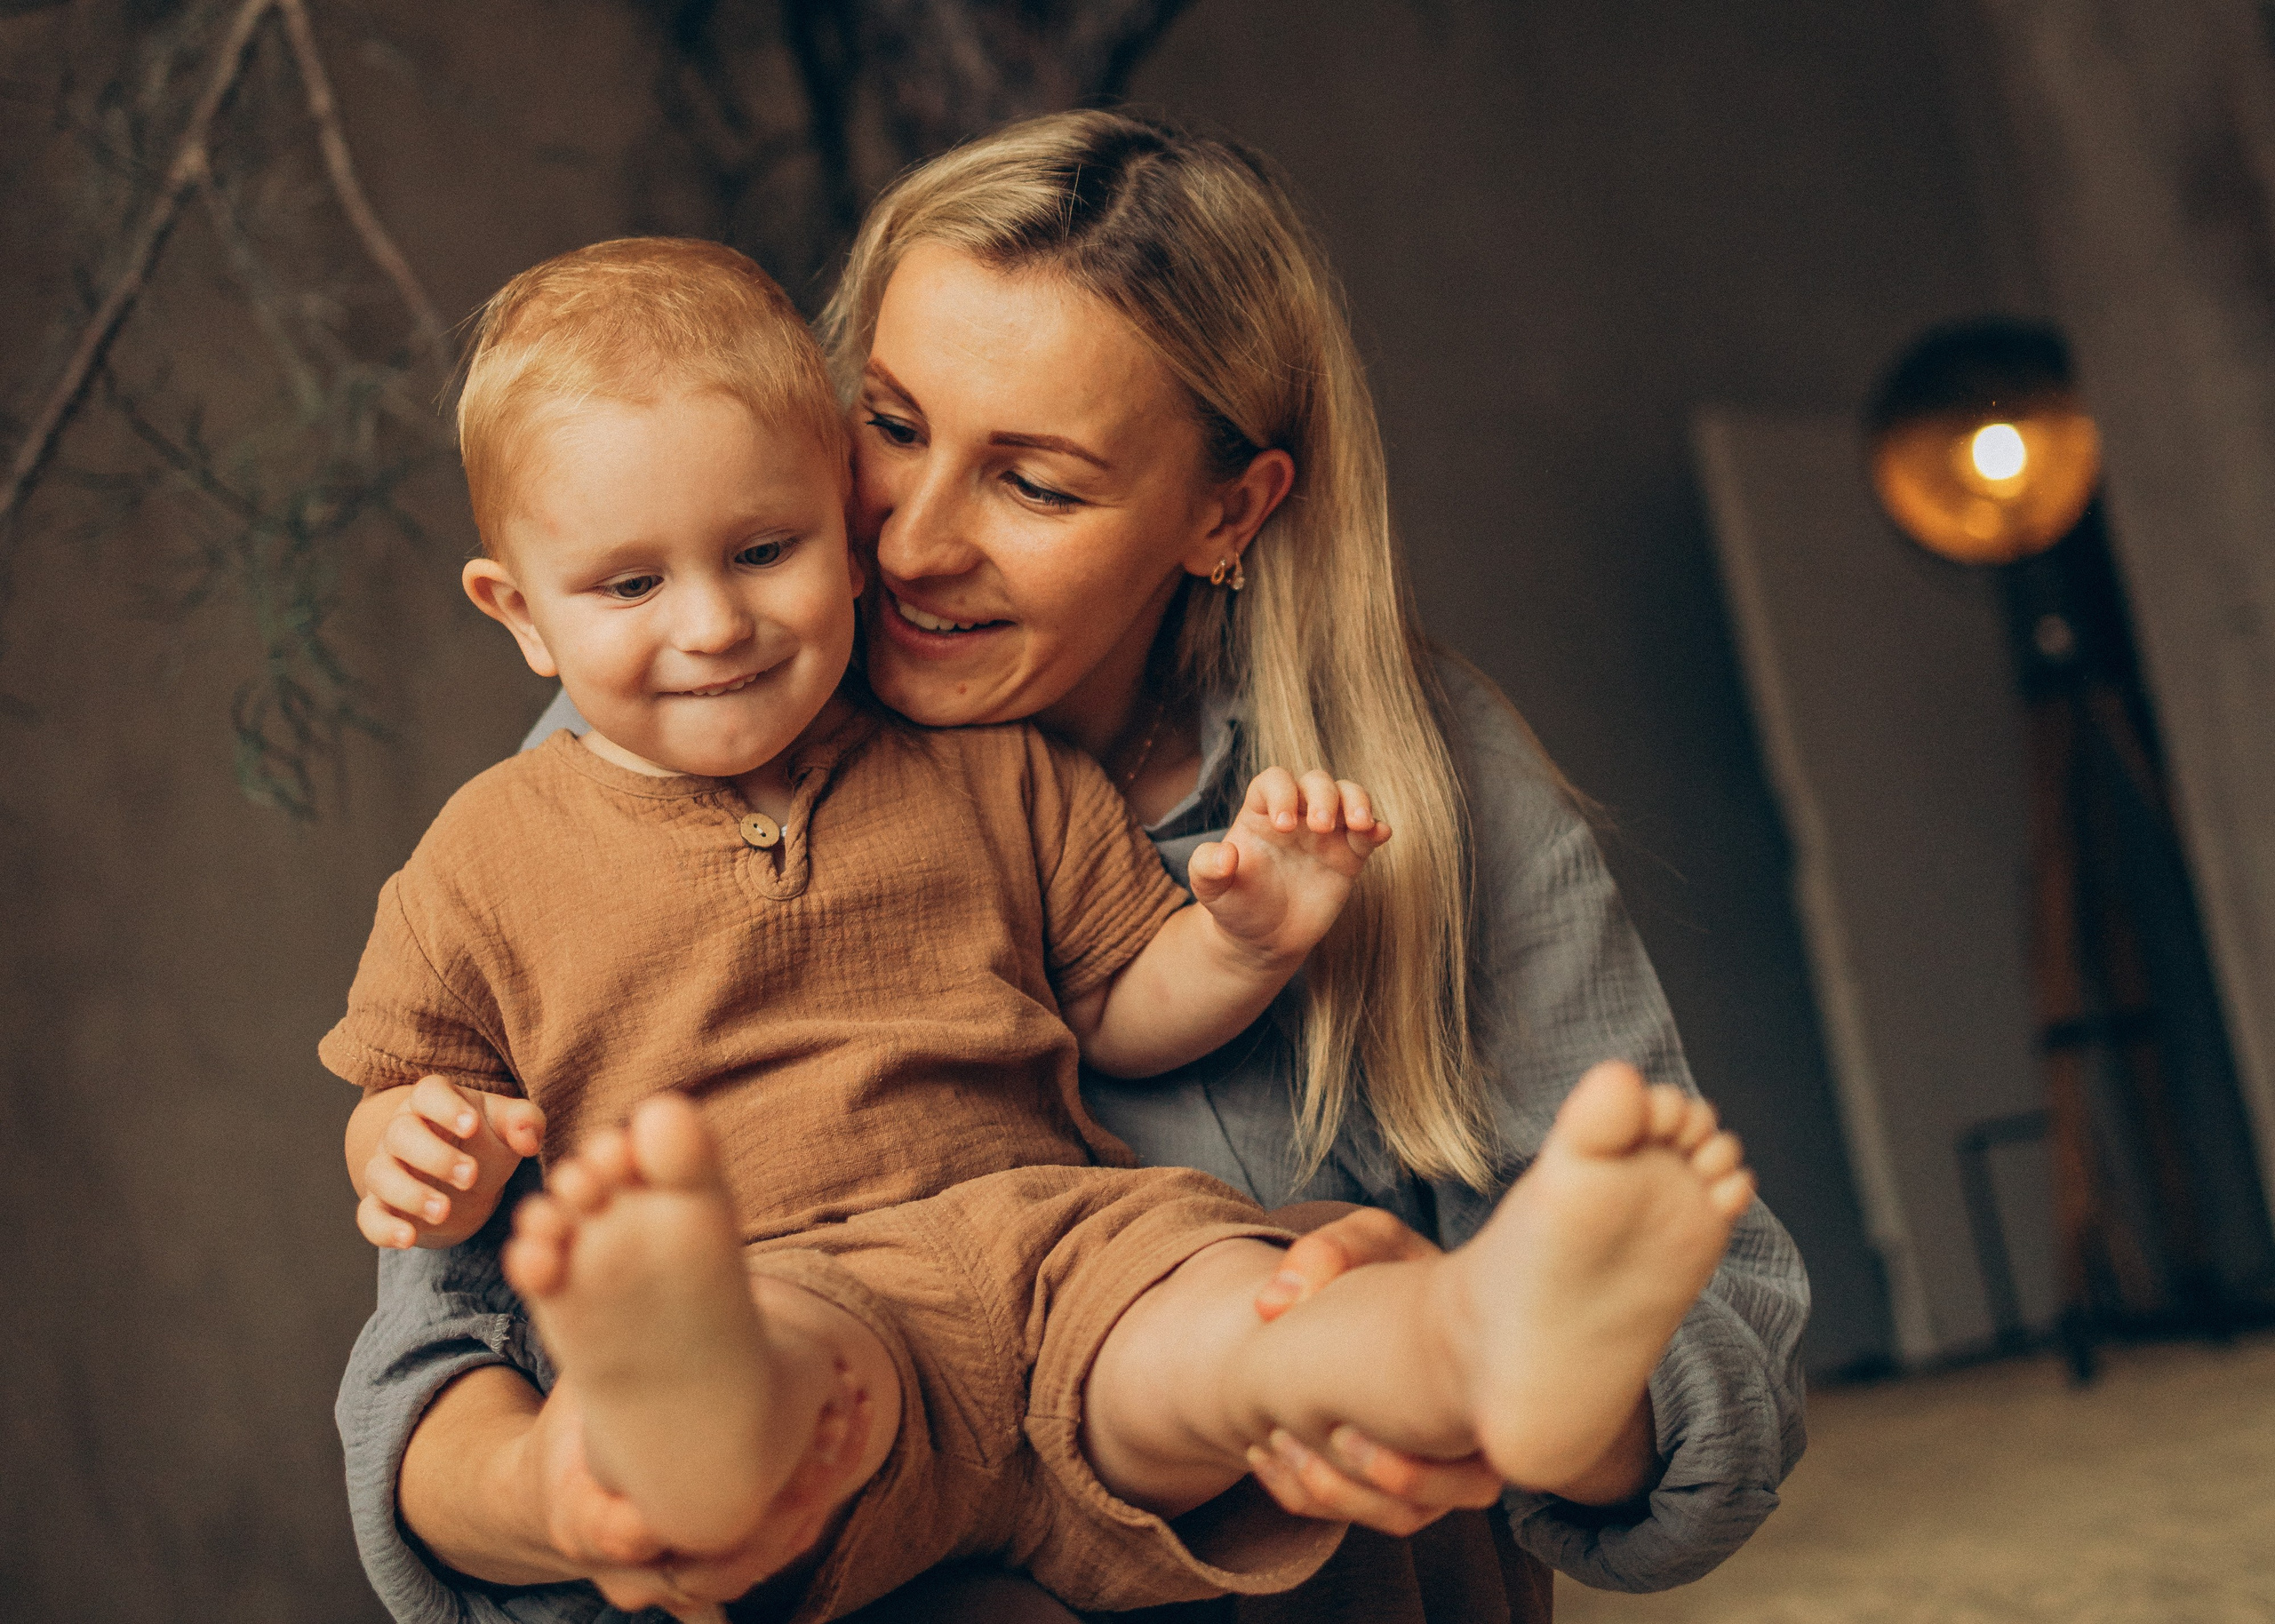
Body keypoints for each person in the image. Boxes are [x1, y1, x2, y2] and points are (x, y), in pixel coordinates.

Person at [335, 110, 1811, 1624]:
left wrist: (1442, 1377)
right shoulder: (606, 775)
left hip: (1146, 1352)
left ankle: (1453, 1346)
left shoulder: (1390, 778)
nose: (906, 544)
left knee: (1267, 1301)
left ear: (1226, 513)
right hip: (836, 1382)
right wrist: (588, 1479)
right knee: (796, 1383)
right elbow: (442, 1357)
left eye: (1034, 484)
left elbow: (1721, 1374)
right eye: (892, 428)